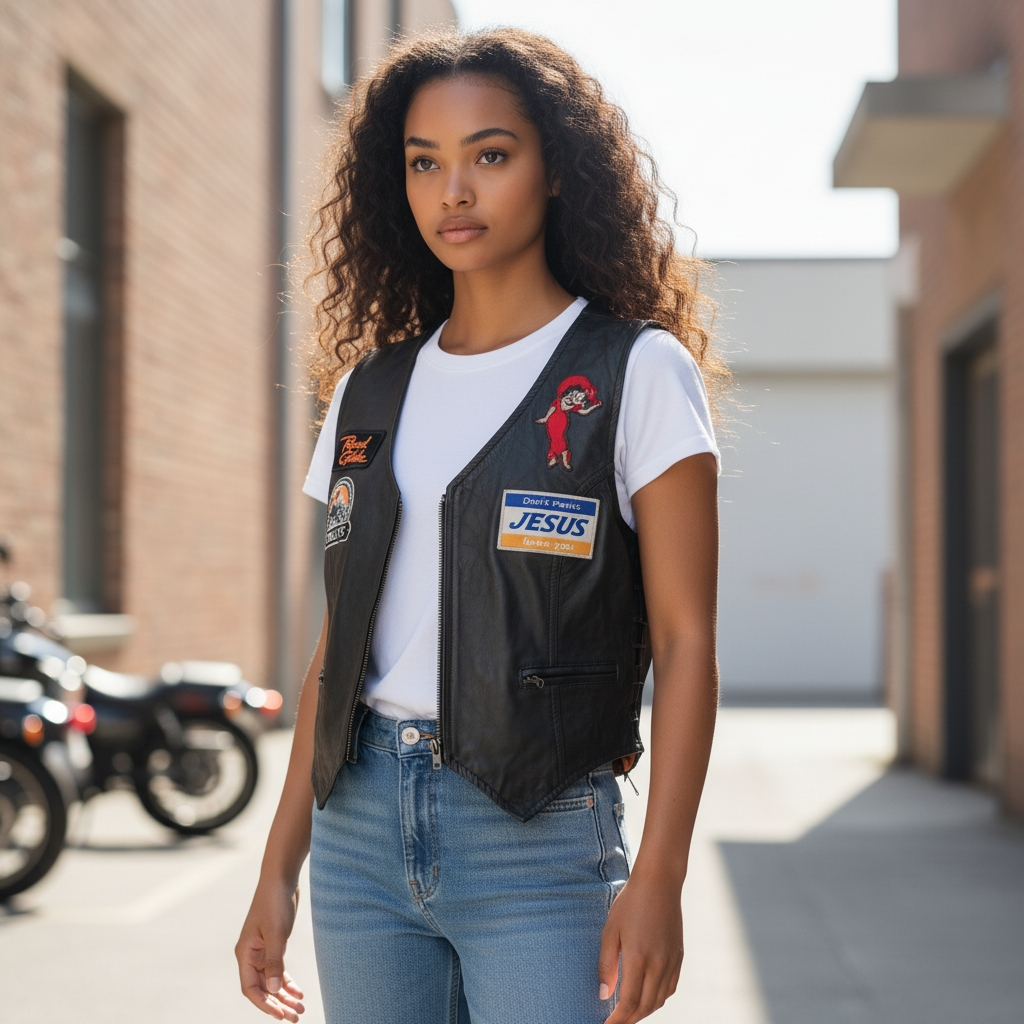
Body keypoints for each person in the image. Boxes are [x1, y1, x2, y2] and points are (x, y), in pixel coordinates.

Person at [236, 27, 725, 1024]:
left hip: (539, 835)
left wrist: (661, 876)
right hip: (360, 835)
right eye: (425, 163)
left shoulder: (634, 372)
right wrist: (279, 866)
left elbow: (686, 642)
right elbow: (336, 648)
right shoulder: (367, 390)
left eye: (488, 155)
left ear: (555, 170)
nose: (452, 191)